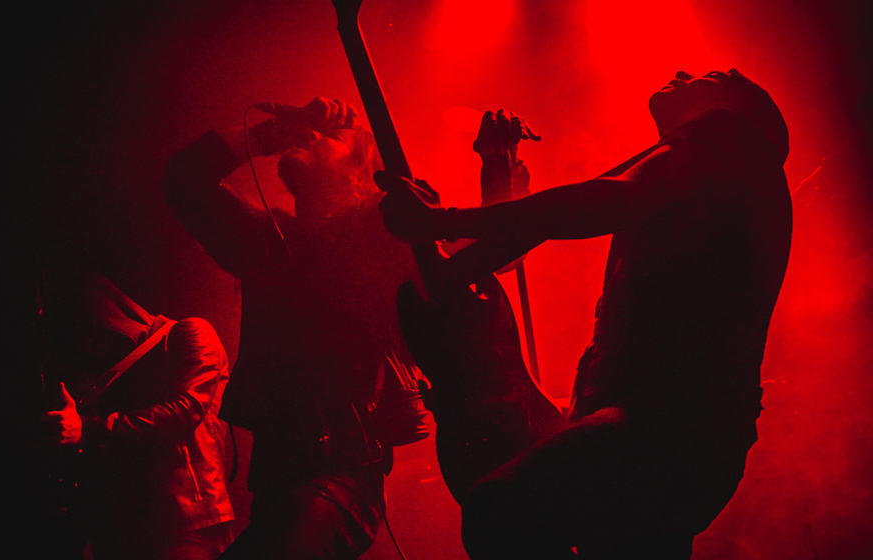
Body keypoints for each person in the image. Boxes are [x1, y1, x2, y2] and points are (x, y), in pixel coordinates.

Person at [376, 69, 791, 558]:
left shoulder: (732, 135)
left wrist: (437, 223)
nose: (683, 73)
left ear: (739, 108)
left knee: (498, 507)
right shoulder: (696, 174)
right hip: (677, 433)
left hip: (665, 425)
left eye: (713, 76)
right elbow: (548, 223)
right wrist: (453, 248)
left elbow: (598, 202)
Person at [164, 97, 430, 559]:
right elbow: (185, 180)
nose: (313, 133)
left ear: (357, 178)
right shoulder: (270, 241)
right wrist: (267, 135)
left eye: (333, 137)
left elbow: (473, 254)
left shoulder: (381, 238)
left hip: (344, 478)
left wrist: (496, 171)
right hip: (276, 480)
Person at [41, 275, 235, 560]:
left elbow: (184, 411)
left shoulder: (190, 332)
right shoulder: (111, 373)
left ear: (109, 311)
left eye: (90, 333)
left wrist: (88, 429)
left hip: (186, 523)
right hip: (130, 529)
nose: (90, 347)